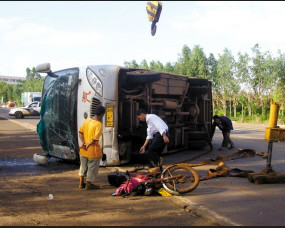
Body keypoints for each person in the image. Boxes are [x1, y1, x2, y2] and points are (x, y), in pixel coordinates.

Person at [78, 105, 106, 190]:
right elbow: (95, 139)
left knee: (83, 166)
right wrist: (88, 145)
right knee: (92, 167)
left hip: (83, 150)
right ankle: (88, 184)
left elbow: (80, 133)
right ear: (102, 114)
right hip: (93, 151)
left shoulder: (87, 121)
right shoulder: (98, 124)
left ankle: (81, 183)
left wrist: (84, 143)